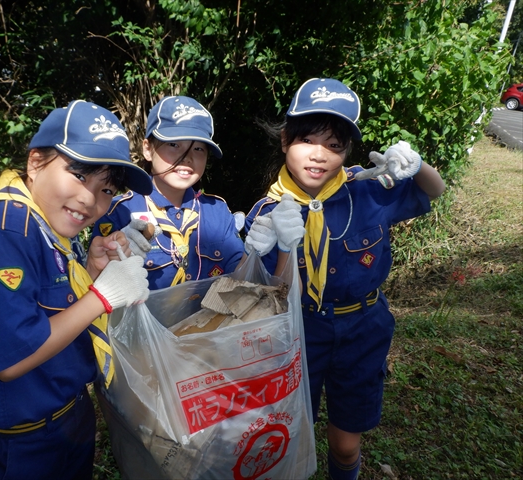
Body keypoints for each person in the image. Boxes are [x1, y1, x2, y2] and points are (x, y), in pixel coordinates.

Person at [243, 78, 446, 480]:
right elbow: (273, 296)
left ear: (347, 152)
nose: (319, 156)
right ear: (285, 141)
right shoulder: (266, 213)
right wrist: (284, 245)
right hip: (299, 331)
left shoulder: (366, 191)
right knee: (289, 432)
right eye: (306, 141)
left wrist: (418, 164)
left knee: (346, 442)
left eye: (334, 146)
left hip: (363, 328)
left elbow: (434, 191)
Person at [0, 100, 154, 480]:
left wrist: (92, 269)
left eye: (106, 189)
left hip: (69, 419)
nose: (90, 198)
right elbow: (10, 361)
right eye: (79, 175)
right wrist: (102, 297)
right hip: (18, 447)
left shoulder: (47, 228)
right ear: (36, 162)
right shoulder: (2, 237)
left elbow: (53, 308)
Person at [91, 95, 244, 289]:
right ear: (147, 149)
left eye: (198, 148)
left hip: (210, 318)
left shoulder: (217, 212)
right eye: (174, 145)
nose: (187, 157)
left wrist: (256, 250)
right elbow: (97, 288)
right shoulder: (118, 213)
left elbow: (241, 276)